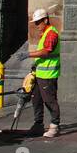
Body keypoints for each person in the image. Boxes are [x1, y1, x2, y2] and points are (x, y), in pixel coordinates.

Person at [27, 8, 61, 138]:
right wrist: (35, 65)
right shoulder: (45, 33)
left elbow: (46, 51)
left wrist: (28, 54)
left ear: (45, 20)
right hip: (40, 74)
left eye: (38, 22)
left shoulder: (52, 34)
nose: (36, 25)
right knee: (36, 99)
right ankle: (38, 124)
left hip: (48, 75)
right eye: (35, 23)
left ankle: (55, 126)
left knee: (50, 100)